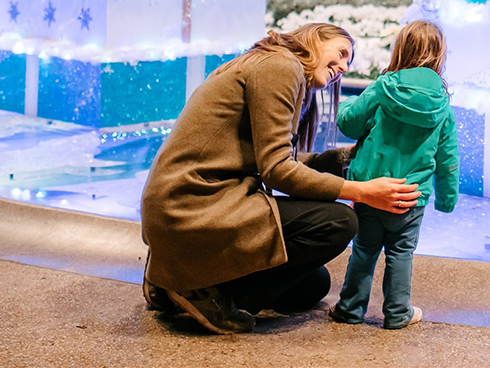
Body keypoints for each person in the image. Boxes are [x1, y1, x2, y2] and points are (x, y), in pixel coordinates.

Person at [139, 22, 420, 335]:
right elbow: (278, 170)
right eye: (341, 53)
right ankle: (202, 293)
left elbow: (281, 161)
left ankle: (171, 278)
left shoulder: (268, 62)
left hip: (188, 205)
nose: (342, 66)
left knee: (313, 285)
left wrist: (348, 158)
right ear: (315, 38)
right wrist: (360, 191)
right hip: (192, 205)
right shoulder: (281, 66)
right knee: (339, 223)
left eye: (347, 63)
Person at [329, 20, 459, 330]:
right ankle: (398, 312)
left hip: (371, 190)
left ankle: (350, 309)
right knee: (401, 253)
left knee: (364, 249)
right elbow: (448, 160)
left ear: (400, 50)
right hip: (410, 198)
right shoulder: (443, 107)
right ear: (439, 56)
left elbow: (349, 123)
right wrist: (447, 199)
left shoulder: (382, 89)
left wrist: (346, 103)